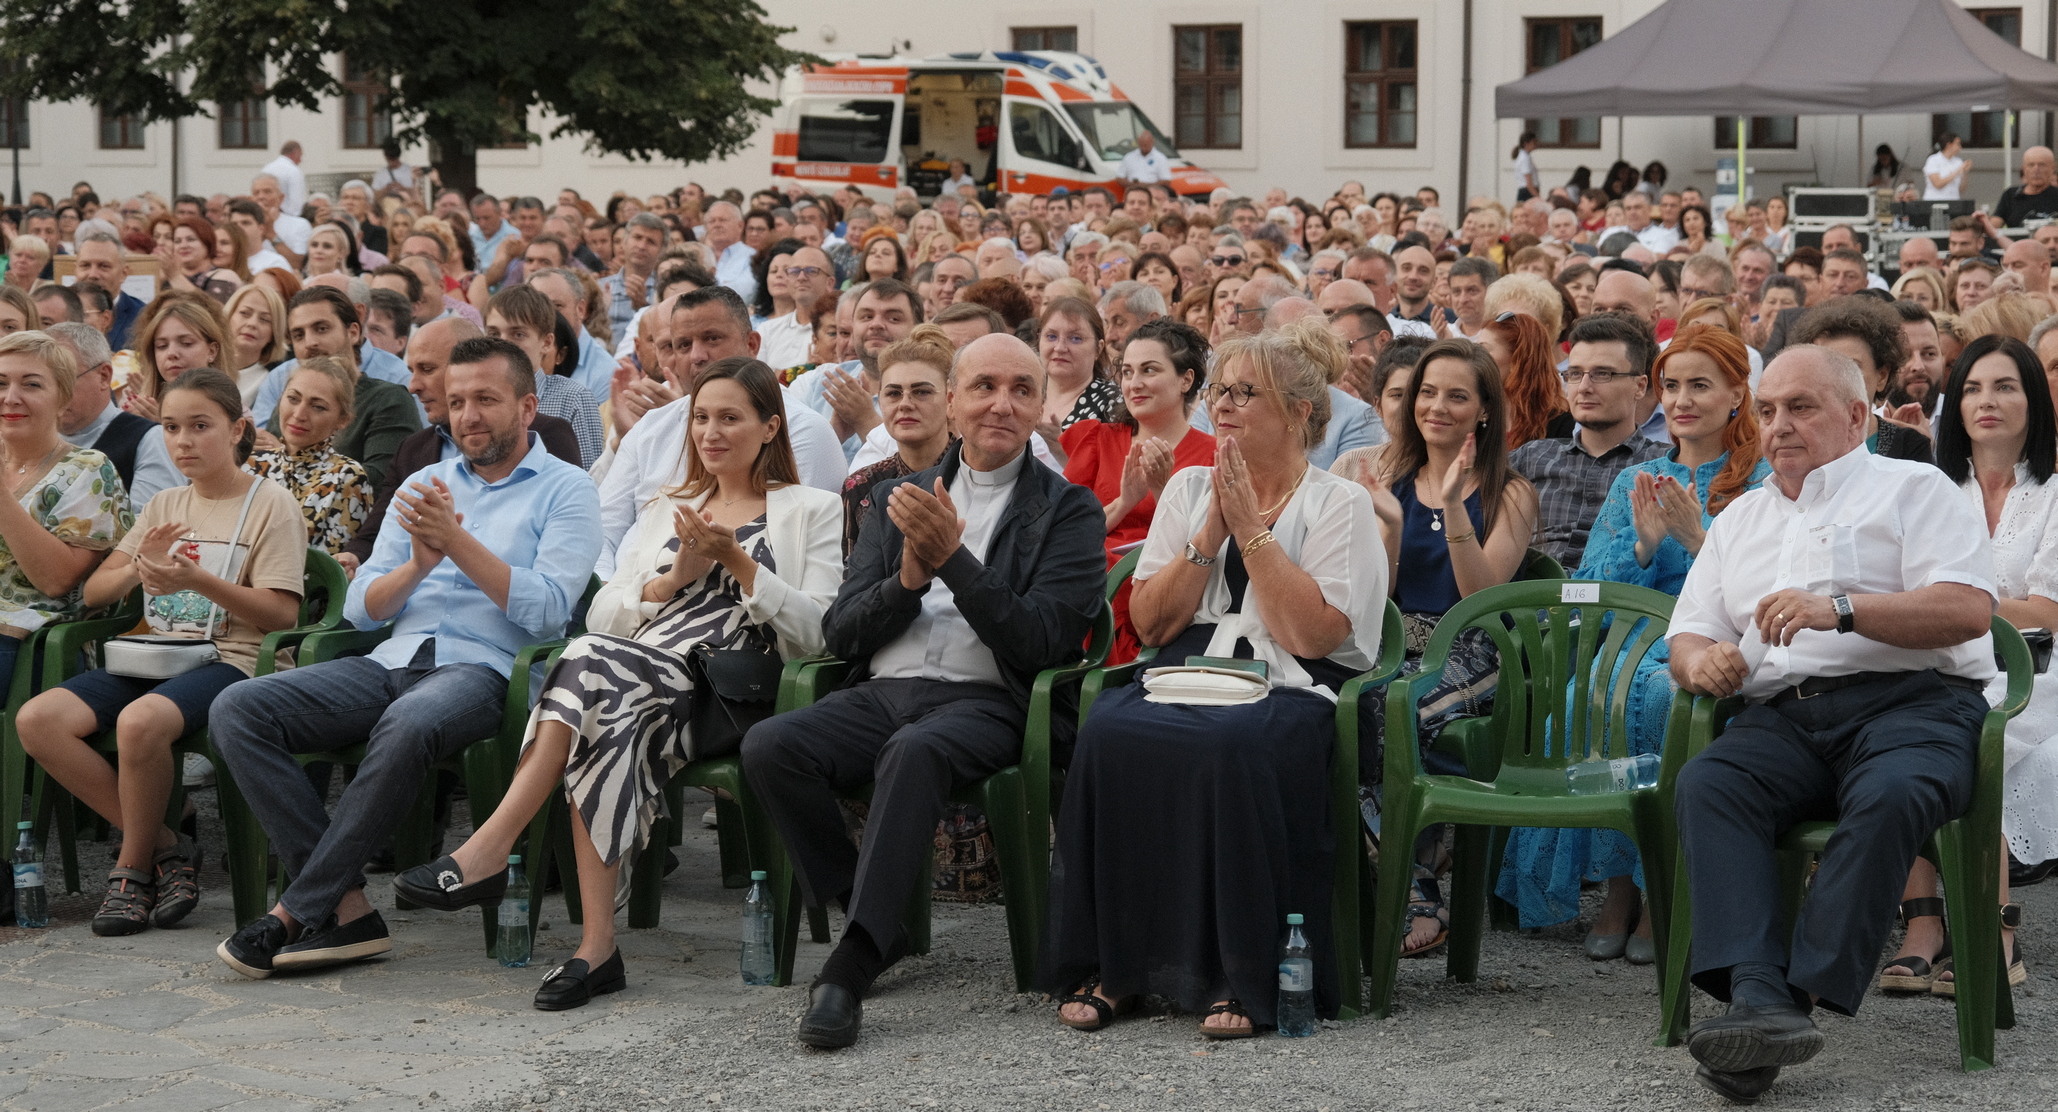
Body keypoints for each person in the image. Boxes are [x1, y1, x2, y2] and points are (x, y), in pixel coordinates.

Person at [393, 357, 840, 1008]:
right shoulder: (669, 508)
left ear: (770, 427)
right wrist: (671, 581)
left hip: (732, 688)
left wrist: (738, 563)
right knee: (593, 686)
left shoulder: (812, 510)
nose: (710, 432)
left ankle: (493, 849)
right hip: (637, 674)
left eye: (730, 418)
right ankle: (595, 950)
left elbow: (819, 632)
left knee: (587, 670)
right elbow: (606, 612)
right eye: (701, 418)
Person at [739, 332, 1105, 1050]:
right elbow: (843, 633)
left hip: (991, 700)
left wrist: (954, 561)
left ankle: (850, 964)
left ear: (1037, 409)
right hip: (883, 690)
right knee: (771, 744)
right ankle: (877, 916)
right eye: (985, 387)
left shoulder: (1068, 511)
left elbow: (1040, 643)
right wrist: (909, 578)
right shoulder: (891, 496)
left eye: (1022, 390)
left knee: (914, 751)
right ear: (956, 405)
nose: (1002, 404)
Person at [209, 337, 602, 979]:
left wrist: (457, 542)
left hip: (488, 670)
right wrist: (420, 565)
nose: (467, 416)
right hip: (392, 658)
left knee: (411, 721)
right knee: (239, 708)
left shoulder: (567, 489)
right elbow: (363, 607)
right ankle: (349, 906)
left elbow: (550, 610)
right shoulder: (425, 482)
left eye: (486, 400)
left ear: (528, 406)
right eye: (455, 403)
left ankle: (293, 913)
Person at [1666, 344, 1997, 1103]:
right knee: (1709, 782)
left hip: (1912, 704)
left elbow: (1966, 609)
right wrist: (1700, 664)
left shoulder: (1914, 489)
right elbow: (1689, 631)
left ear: (1856, 417)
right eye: (1768, 409)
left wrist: (1842, 609)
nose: (1779, 425)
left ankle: (1788, 1001)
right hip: (1783, 717)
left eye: (1801, 407)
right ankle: (1758, 992)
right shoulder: (1742, 516)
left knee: (1893, 794)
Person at [1040, 318, 1385, 1038]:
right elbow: (1153, 622)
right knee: (1107, 732)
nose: (1222, 405)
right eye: (1219, 391)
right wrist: (1209, 533)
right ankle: (1119, 964)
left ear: (1299, 412)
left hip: (1292, 680)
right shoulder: (1190, 486)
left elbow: (1317, 633)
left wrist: (1252, 530)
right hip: (1186, 668)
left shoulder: (1337, 502)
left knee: (1233, 747)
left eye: (1244, 393)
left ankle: (1246, 971)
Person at [1500, 324, 1768, 959]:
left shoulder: (1757, 482)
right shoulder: (1638, 480)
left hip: (1717, 641)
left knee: (1655, 699)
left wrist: (1699, 537)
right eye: (1672, 386)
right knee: (1586, 697)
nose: (1682, 400)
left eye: (1700, 385)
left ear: (1736, 395)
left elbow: (1767, 587)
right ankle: (1619, 888)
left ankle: (1660, 895)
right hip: (1634, 638)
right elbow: (1591, 585)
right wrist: (1645, 544)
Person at [20, 367, 303, 937]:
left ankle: (130, 871)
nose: (183, 441)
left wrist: (197, 581)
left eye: (201, 426)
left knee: (141, 722)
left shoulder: (271, 503)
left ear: (238, 428)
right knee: (39, 720)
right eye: (171, 427)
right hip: (155, 655)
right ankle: (168, 848)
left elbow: (280, 616)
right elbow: (94, 594)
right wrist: (135, 565)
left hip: (235, 661)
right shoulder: (166, 502)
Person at [1344, 337, 1540, 955]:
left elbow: (1482, 596)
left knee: (1386, 713)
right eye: (1427, 392)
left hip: (1475, 649)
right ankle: (1417, 869)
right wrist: (1394, 525)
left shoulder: (1511, 492)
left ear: (1484, 410)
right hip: (1394, 641)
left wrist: (1455, 505)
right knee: (1330, 709)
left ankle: (1414, 890)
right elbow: (1377, 591)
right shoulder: (1387, 477)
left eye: (1458, 395)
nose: (1437, 406)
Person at [1876, 335, 2047, 999]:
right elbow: (1898, 588)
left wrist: (1957, 605)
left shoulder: (2055, 491)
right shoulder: (1932, 490)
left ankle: (1995, 927)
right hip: (1945, 663)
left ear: (2033, 400)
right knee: (1902, 724)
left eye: (2005, 386)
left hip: (2035, 671)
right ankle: (1922, 925)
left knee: (1972, 737)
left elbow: (2050, 609)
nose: (1986, 402)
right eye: (1973, 388)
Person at [596, 287, 846, 577]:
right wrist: (607, 591)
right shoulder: (652, 427)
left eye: (712, 339)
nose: (697, 356)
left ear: (752, 344)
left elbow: (790, 555)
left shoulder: (803, 430)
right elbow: (600, 530)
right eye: (683, 345)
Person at [340, 318, 583, 577]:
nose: (413, 386)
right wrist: (353, 556)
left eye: (427, 369)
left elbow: (552, 588)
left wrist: (452, 540)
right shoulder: (413, 450)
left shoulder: (547, 437)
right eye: (411, 370)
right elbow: (381, 529)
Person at [1062, 318, 1217, 663]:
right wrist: (1123, 503)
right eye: (1128, 372)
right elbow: (1065, 531)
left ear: (1185, 379)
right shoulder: (1098, 440)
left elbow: (1206, 545)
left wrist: (1164, 493)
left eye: (1149, 370)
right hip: (1085, 566)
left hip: (1158, 580)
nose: (1134, 384)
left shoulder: (1211, 456)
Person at [264, 288, 424, 487]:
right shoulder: (291, 396)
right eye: (298, 335)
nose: (310, 343)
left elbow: (377, 484)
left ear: (353, 333)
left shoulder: (388, 400)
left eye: (321, 329)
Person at [840, 326, 959, 554]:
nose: (905, 404)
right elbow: (850, 579)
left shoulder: (978, 475)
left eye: (922, 392)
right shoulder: (861, 486)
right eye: (893, 393)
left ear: (950, 400)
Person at [244, 357, 372, 555]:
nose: (299, 414)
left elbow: (329, 571)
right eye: (293, 399)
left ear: (342, 420)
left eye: (318, 406)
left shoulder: (347, 476)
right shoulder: (251, 465)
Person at [1786, 296, 1933, 464]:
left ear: (1882, 376)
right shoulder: (1793, 442)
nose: (1835, 379)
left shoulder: (1909, 447)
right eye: (1823, 368)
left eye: (1852, 367)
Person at [47, 323, 176, 512]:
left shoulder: (149, 439)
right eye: (38, 383)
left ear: (104, 376)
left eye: (64, 380)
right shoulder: (23, 439)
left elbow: (148, 526)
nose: (53, 393)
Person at [483, 285, 605, 468]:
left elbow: (591, 476)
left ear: (546, 343)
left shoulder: (573, 399)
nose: (502, 343)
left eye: (518, 334)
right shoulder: (475, 398)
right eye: (494, 334)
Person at [1036, 297, 1119, 463]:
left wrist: (1059, 448)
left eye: (1075, 338)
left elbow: (1109, 480)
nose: (1059, 347)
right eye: (1051, 336)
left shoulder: (1114, 403)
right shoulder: (1023, 392)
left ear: (1098, 348)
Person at [1480, 310, 1569, 450]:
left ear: (1517, 359)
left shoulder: (1560, 425)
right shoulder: (1476, 414)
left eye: (1483, 351)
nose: (1475, 358)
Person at [223, 284, 291, 410]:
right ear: (228, 316)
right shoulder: (199, 363)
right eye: (245, 313)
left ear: (274, 333)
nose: (252, 324)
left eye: (265, 319)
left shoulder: (274, 383)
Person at [1995, 146, 2058, 228]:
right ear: (2024, 169)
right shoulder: (2011, 195)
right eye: (2031, 165)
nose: (2036, 170)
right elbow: (1995, 224)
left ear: (2053, 168)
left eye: (2041, 165)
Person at [1924, 134, 1972, 201]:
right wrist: (1958, 171)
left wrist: (1964, 173)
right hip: (1935, 200)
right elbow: (1937, 184)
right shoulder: (1933, 160)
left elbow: (1962, 190)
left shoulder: (1958, 161)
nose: (1960, 147)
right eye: (1957, 144)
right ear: (1949, 145)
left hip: (1954, 201)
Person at [1513, 132, 1541, 201]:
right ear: (1526, 144)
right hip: (1527, 193)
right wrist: (1538, 197)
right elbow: (1529, 183)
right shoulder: (1524, 158)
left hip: (1527, 191)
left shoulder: (1526, 156)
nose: (1536, 144)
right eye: (1534, 142)